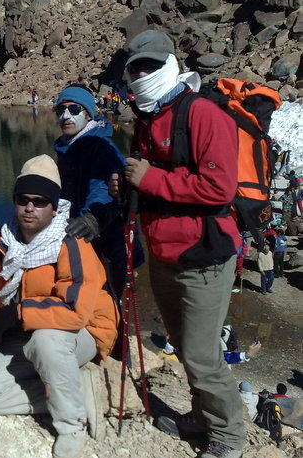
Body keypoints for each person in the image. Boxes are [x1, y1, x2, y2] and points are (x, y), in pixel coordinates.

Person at [119, 29, 244, 458]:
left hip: (203, 256)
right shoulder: (147, 117)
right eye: (135, 67)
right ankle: (202, 417)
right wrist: (130, 182)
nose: (143, 73)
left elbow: (220, 188)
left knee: (203, 356)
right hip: (164, 253)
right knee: (181, 343)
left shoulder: (203, 114)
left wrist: (149, 178)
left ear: (170, 63)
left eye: (151, 65)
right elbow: (150, 178)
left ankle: (228, 439)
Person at [0, 155, 118, 458]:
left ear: (53, 207)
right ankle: (76, 394)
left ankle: (72, 424)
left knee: (46, 340)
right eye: (23, 199)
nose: (29, 208)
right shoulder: (0, 243)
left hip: (83, 330)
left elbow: (75, 311)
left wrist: (18, 312)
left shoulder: (70, 243)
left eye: (39, 201)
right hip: (29, 330)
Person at [53, 83, 142, 301]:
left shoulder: (101, 146)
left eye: (74, 110)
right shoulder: (67, 147)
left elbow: (105, 188)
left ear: (88, 114)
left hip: (110, 234)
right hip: (84, 230)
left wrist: (92, 217)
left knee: (110, 294)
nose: (66, 116)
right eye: (60, 110)